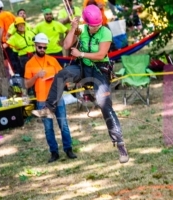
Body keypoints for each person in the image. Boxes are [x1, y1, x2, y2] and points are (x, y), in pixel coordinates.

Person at [32, 5, 129, 164]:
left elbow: (101, 54)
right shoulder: (82, 29)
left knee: (105, 106)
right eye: (92, 25)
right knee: (62, 74)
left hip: (99, 70)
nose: (94, 28)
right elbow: (66, 45)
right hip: (83, 67)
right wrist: (73, 28)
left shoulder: (105, 32)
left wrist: (81, 53)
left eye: (97, 25)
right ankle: (49, 109)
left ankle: (120, 144)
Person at [24, 33, 77, 163]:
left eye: (44, 47)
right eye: (40, 47)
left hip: (57, 97)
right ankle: (54, 152)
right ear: (35, 46)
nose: (42, 49)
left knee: (63, 124)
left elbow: (62, 76)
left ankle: (68, 149)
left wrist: (67, 83)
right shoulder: (29, 64)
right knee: (48, 128)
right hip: (42, 100)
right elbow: (26, 84)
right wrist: (36, 76)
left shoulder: (52, 60)